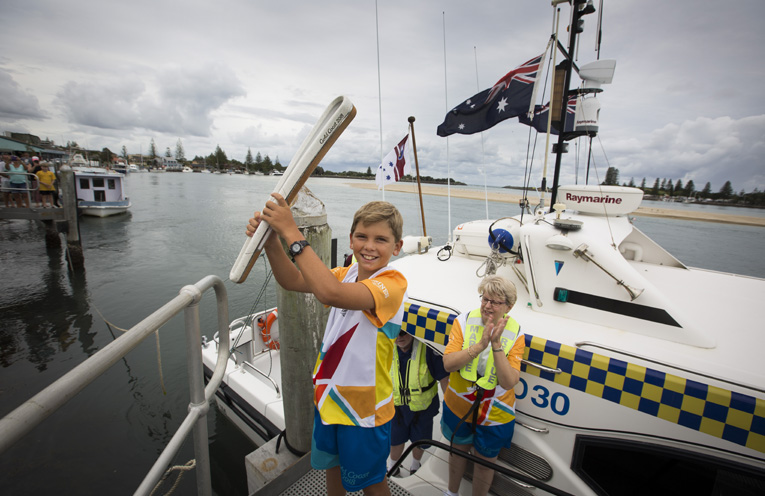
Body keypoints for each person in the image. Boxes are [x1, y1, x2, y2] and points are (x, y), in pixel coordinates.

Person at [246, 194, 407, 496]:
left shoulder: (393, 284)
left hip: (365, 411)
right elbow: (292, 280)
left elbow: (329, 293)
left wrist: (292, 232)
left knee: (372, 481)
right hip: (330, 399)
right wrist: (271, 241)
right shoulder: (346, 273)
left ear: (397, 247)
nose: (369, 246)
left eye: (381, 239)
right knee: (331, 469)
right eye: (362, 236)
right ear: (350, 239)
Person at [441, 275, 525, 496]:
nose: (487, 306)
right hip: (459, 405)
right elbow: (448, 364)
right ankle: (451, 492)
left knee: (485, 464)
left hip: (494, 413)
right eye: (485, 299)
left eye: (495, 302)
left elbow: (508, 382)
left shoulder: (516, 334)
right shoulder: (464, 321)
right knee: (457, 452)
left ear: (509, 306)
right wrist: (479, 346)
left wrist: (496, 345)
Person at [387, 329, 449, 477]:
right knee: (395, 440)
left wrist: (449, 408)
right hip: (397, 408)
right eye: (396, 332)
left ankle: (415, 465)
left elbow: (444, 379)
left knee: (420, 441)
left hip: (423, 408)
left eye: (403, 333)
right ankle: (392, 466)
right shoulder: (386, 347)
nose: (399, 337)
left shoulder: (428, 349)